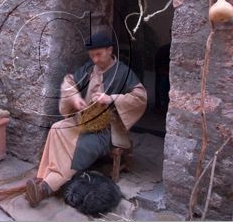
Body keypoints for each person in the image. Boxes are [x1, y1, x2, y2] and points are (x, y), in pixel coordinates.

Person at [25, 31, 147, 207]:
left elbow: (140, 97)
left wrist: (111, 98)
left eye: (99, 54)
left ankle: (46, 187)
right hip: (84, 120)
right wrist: (74, 97)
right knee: (57, 128)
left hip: (107, 129)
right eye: (92, 55)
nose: (95, 59)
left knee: (77, 148)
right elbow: (69, 82)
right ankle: (42, 177)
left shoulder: (122, 72)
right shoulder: (90, 68)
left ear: (110, 49)